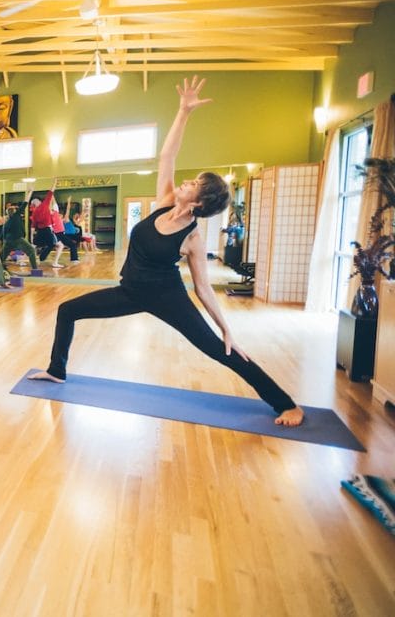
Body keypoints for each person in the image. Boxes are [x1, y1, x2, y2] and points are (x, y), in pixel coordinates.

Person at [29, 76, 304, 427]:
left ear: (201, 202)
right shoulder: (163, 202)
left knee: (220, 351)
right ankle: (57, 371)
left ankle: (286, 404)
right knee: (68, 310)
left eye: (194, 185)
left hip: (167, 297)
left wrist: (227, 329)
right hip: (129, 291)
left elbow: (203, 288)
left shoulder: (192, 237)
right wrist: (183, 112)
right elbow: (167, 154)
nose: (186, 183)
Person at [0, 187, 39, 270]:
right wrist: (31, 191)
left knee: (1, 257)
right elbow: (25, 202)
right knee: (31, 250)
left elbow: (2, 235)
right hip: (18, 239)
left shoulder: (8, 222)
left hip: (8, 241)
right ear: (14, 211)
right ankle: (35, 269)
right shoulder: (16, 215)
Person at [30, 180, 60, 264]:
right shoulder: (44, 204)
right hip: (47, 229)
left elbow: (33, 225)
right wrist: (54, 182)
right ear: (38, 202)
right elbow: (51, 192)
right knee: (52, 244)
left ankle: (30, 257)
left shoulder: (34, 212)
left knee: (35, 244)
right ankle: (42, 257)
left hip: (40, 231)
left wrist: (32, 236)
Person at [51, 193, 80, 266]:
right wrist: (69, 202)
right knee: (72, 244)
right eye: (59, 215)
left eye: (61, 215)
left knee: (68, 245)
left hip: (63, 235)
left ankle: (74, 259)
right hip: (61, 235)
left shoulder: (64, 220)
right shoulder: (60, 219)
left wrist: (52, 196)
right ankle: (74, 259)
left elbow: (66, 210)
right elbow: (67, 210)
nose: (60, 215)